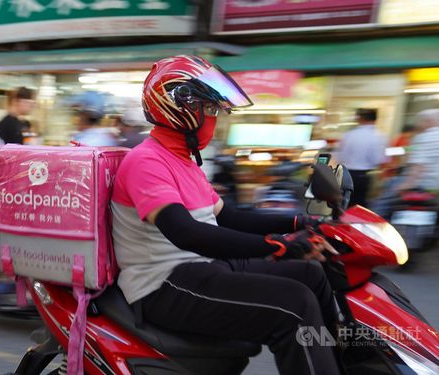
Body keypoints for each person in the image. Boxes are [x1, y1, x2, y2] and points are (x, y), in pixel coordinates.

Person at [111, 55, 341, 375]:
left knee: (312, 274)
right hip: (163, 283)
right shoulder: (146, 162)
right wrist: (278, 245)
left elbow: (230, 217)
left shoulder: (183, 160)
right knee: (295, 305)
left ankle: (338, 362)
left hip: (201, 267)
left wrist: (301, 223)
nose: (215, 119)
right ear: (182, 111)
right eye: (211, 110)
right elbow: (187, 233)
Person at [371, 109, 439, 217]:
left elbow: (417, 163)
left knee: (383, 201)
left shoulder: (419, 137)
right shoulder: (415, 139)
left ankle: (372, 222)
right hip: (434, 186)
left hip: (416, 181)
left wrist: (407, 183)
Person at [336, 108, 387, 206]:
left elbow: (340, 156)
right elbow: (378, 159)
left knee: (343, 204)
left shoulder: (348, 135)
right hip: (364, 176)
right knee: (359, 206)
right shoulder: (378, 136)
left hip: (345, 174)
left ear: (359, 119)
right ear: (375, 119)